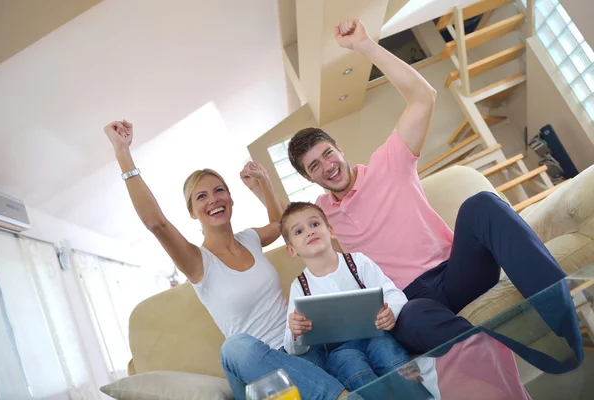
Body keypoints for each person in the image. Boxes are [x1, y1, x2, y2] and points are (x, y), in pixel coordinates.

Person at [286, 20, 582, 372]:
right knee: (413, 320)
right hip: (411, 302)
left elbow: (423, 96)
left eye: (327, 154)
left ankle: (564, 325)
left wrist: (365, 46)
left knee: (482, 204)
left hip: (457, 272)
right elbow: (288, 224)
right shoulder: (319, 217)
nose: (327, 166)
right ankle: (517, 368)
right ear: (309, 179)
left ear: (339, 147)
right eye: (314, 166)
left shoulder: (388, 162)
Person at [103, 120, 349, 400]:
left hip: (299, 355)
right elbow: (155, 223)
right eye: (201, 196)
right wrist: (122, 151)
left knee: (331, 345)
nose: (213, 200)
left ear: (231, 198)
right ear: (193, 212)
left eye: (219, 190)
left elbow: (283, 224)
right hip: (258, 376)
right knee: (235, 347)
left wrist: (265, 183)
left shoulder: (250, 239)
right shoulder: (198, 262)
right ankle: (341, 397)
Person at [280, 202, 410, 392]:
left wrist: (392, 311)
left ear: (330, 230)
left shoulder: (357, 261)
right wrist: (296, 330)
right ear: (292, 250)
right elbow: (293, 348)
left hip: (376, 335)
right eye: (299, 231)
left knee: (393, 359)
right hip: (339, 351)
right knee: (353, 370)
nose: (309, 231)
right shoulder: (299, 286)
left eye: (315, 224)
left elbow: (392, 292)